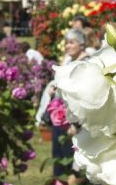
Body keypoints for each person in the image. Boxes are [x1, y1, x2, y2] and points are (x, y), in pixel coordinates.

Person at [36, 28, 88, 177]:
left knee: (70, 156)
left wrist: (76, 123)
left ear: (82, 44)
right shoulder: (70, 61)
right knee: (58, 155)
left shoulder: (85, 64)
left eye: (72, 43)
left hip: (74, 119)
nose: (67, 46)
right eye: (66, 43)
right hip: (60, 116)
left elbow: (83, 95)